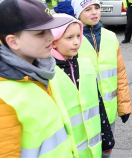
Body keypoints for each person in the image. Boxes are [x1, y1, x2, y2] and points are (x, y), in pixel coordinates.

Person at [0, 0, 74, 157]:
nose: (51, 37)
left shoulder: (43, 71)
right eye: (40, 33)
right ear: (13, 41)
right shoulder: (0, 99)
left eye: (50, 30)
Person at [71, 0, 132, 158]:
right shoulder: (72, 39)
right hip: (84, 113)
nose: (94, 12)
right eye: (88, 9)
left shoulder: (111, 37)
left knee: (106, 151)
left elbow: (120, 74)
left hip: (109, 111)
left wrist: (124, 105)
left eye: (97, 8)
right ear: (78, 13)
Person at [50, 14, 115, 157]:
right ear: (53, 41)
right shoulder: (48, 74)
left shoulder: (86, 66)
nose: (76, 42)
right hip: (66, 151)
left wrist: (106, 139)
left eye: (78, 36)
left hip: (92, 149)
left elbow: (98, 104)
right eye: (69, 37)